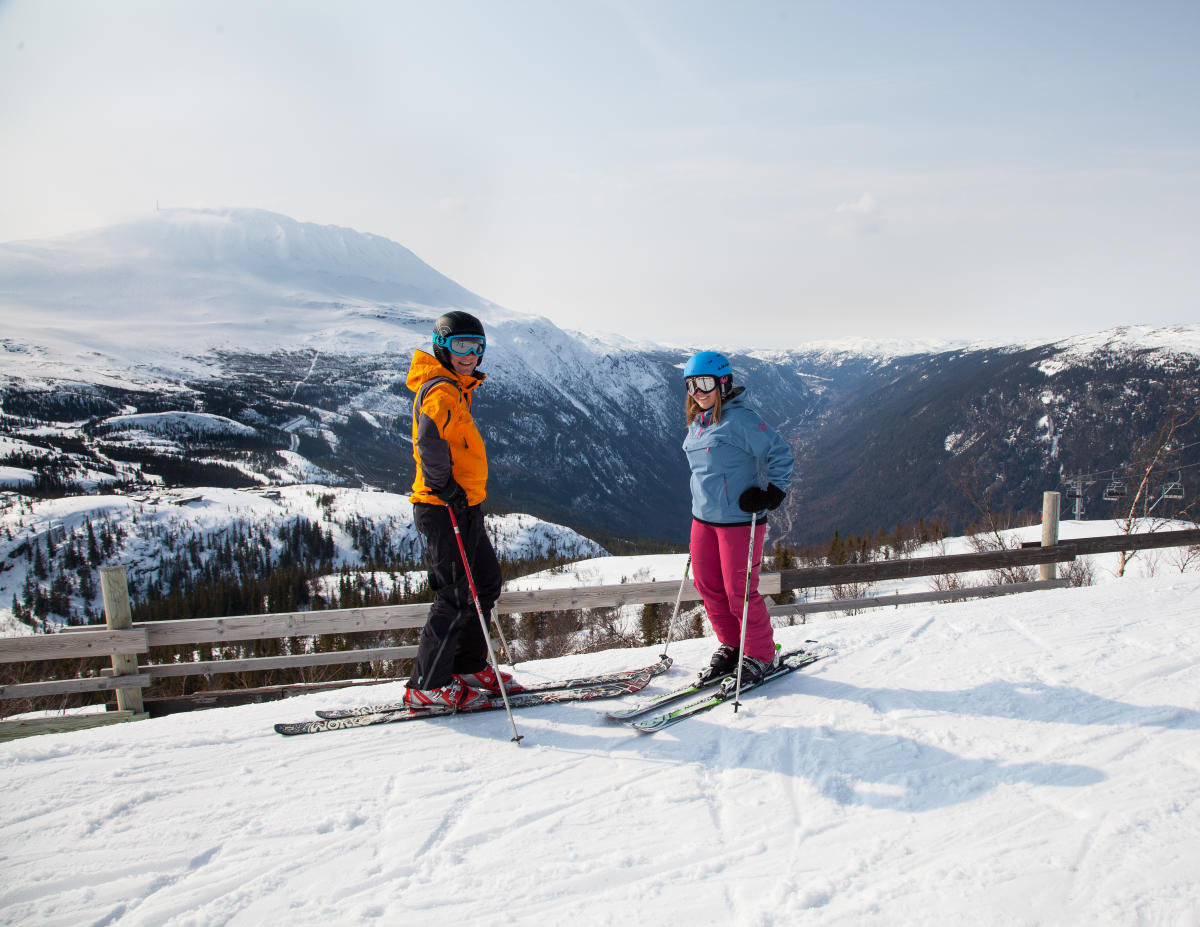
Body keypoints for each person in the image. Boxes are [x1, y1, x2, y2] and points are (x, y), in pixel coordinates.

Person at [403, 310, 521, 710]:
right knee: (454, 595)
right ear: (442, 346)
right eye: (460, 346)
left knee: (485, 584)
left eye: (476, 346)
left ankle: (469, 664)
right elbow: (428, 439)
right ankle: (426, 684)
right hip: (443, 508)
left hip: (465, 505)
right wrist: (446, 487)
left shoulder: (458, 386)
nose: (469, 354)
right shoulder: (440, 390)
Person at [681, 351, 794, 685]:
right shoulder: (699, 423)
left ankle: (760, 653)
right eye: (691, 385)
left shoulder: (739, 420)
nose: (697, 392)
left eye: (704, 383)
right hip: (702, 520)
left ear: (723, 382)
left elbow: (780, 452)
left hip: (739, 521)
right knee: (708, 586)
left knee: (739, 592)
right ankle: (732, 644)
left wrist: (772, 494)